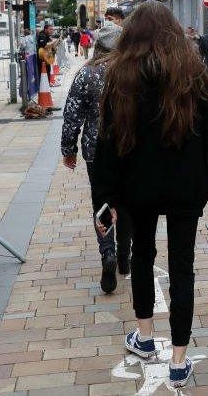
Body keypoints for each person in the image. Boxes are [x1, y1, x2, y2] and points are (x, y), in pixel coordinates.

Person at [93, 1, 208, 389]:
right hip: (186, 187)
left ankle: (143, 335)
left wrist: (105, 198)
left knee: (142, 256)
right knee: (182, 267)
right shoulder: (195, 76)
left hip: (136, 187)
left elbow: (104, 143)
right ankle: (178, 358)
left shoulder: (120, 77)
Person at [61, 23, 132, 294]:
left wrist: (69, 149)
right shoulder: (132, 72)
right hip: (129, 147)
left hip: (95, 150)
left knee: (102, 202)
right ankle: (125, 256)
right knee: (127, 202)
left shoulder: (87, 74)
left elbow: (72, 115)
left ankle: (107, 253)